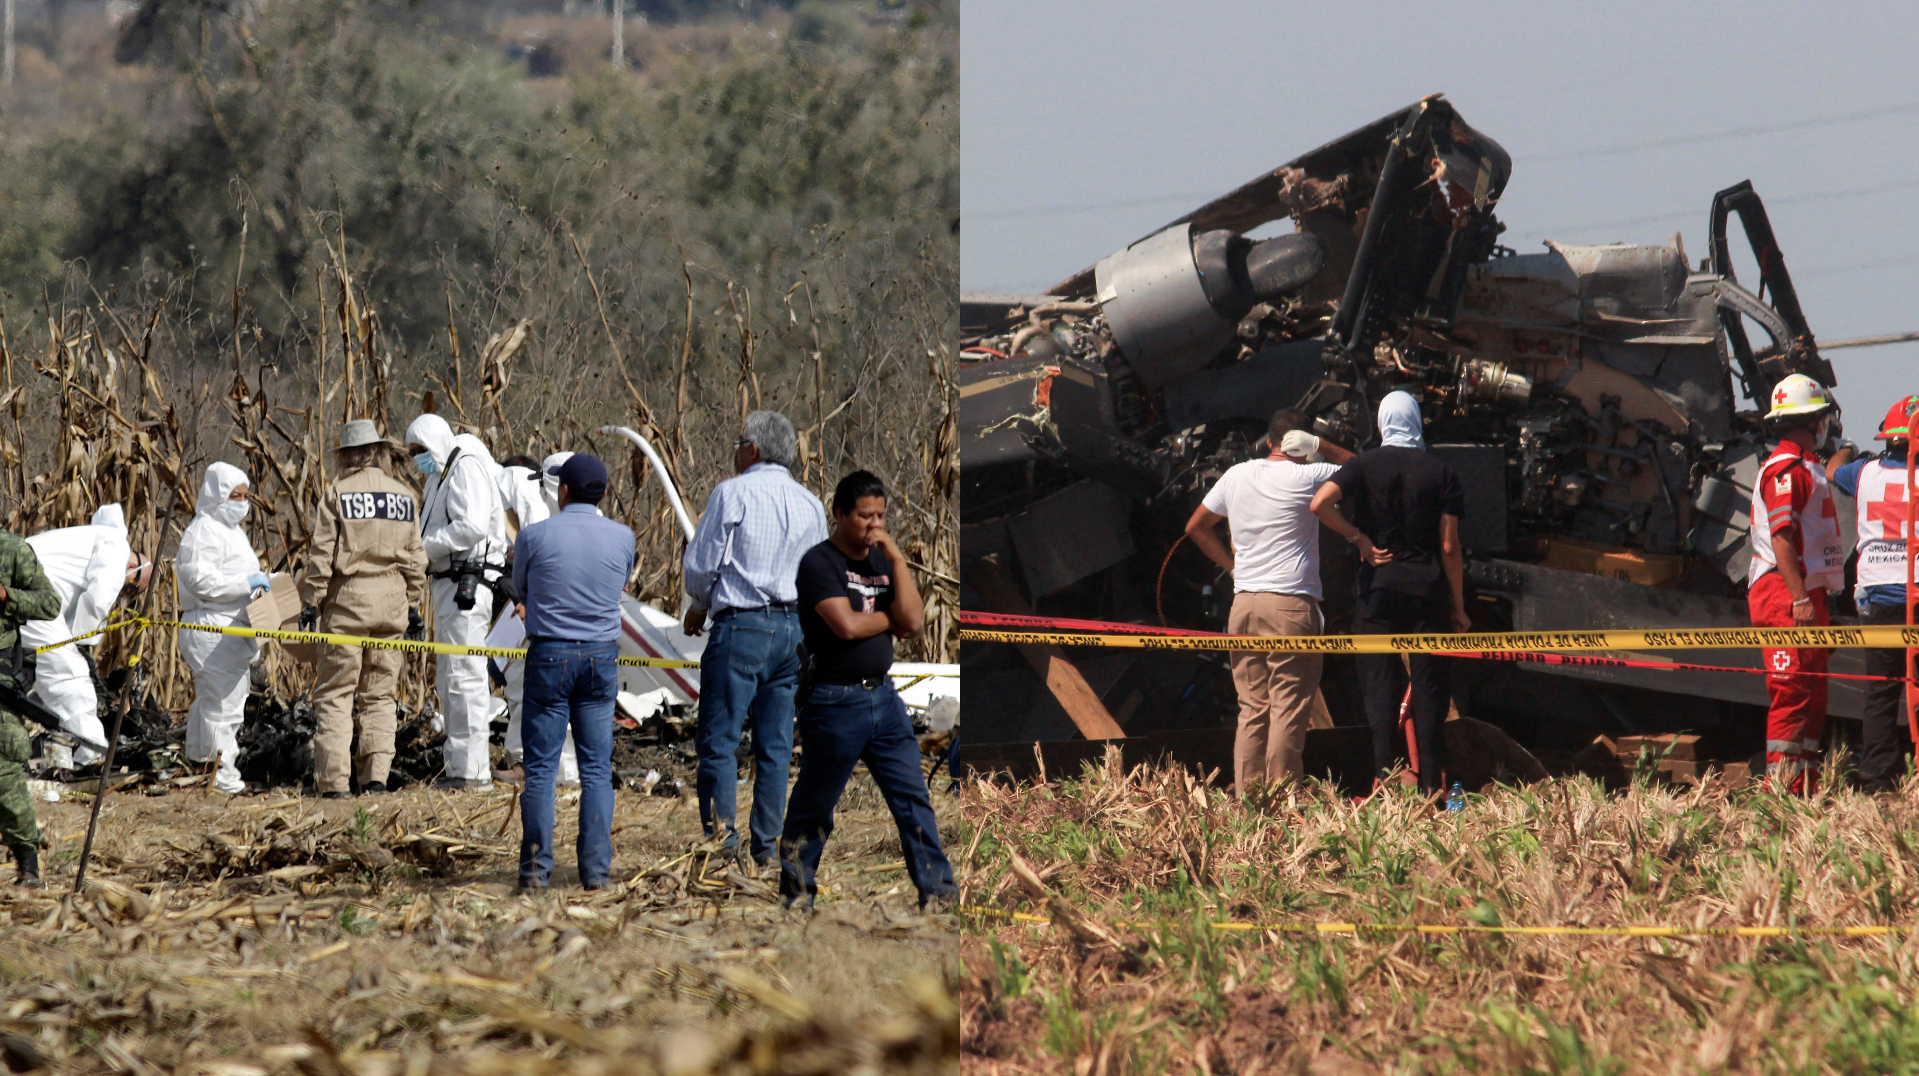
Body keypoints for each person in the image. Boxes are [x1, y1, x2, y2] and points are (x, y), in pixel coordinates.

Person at [780, 470, 954, 911]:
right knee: (814, 807)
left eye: (879, 515)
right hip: (835, 702)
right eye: (863, 516)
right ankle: (797, 895)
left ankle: (938, 893)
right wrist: (889, 619)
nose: (873, 525)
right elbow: (847, 625)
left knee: (912, 799)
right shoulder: (819, 564)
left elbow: (914, 622)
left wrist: (897, 562)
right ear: (839, 515)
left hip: (884, 700)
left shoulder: (881, 560)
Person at [683, 410, 827, 869]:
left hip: (742, 627)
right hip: (794, 632)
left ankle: (723, 847)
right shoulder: (810, 503)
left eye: (739, 445)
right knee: (776, 746)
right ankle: (767, 848)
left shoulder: (732, 493)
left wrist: (700, 603)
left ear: (753, 449)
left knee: (719, 743)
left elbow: (702, 566)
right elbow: (822, 573)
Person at [1310, 391, 1469, 796]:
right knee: (1431, 687)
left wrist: (1359, 538)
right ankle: (1431, 784)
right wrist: (1460, 607)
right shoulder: (1442, 471)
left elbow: (1320, 504)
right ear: (1416, 420)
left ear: (1383, 423)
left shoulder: (1362, 466)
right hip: (1427, 594)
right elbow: (1449, 546)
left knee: (1379, 686)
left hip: (1377, 591)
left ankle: (1389, 781)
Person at [1185, 417, 1353, 796]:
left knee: (1252, 708)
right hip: (1290, 605)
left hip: (1243, 604)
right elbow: (1362, 468)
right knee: (1288, 707)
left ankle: (1248, 802)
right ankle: (1279, 803)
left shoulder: (1236, 475)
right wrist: (1322, 445)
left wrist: (1234, 569)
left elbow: (1196, 527)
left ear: (1269, 442)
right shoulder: (1308, 477)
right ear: (1300, 443)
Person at [511, 454, 634, 891]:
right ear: (601, 492)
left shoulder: (534, 535)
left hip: (549, 654)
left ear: (562, 491)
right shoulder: (623, 537)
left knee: (541, 770)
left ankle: (534, 873)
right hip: (601, 658)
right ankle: (596, 874)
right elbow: (621, 584)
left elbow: (521, 587)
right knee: (596, 768)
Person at [299, 420, 429, 799]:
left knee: (337, 694)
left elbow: (322, 556)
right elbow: (416, 560)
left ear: (345, 456)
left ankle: (335, 785)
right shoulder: (404, 497)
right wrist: (414, 605)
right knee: (379, 695)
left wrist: (311, 602)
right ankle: (375, 780)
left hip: (347, 603)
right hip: (391, 604)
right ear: (376, 452)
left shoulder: (337, 493)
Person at [1742, 373, 1846, 794]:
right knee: (1793, 693)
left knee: (1813, 694)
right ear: (1809, 421)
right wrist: (1801, 599)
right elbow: (1783, 538)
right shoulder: (1786, 470)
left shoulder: (1806, 467)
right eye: (1821, 420)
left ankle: (1802, 783)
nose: (1825, 429)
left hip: (1805, 594)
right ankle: (1781, 792)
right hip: (1785, 594)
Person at [406, 413, 508, 792]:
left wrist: (422, 547)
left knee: (465, 675)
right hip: (446, 585)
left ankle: (472, 771)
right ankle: (458, 766)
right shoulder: (440, 475)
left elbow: (471, 526)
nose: (418, 458)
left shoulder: (465, 466)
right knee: (450, 676)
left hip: (467, 582)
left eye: (419, 450)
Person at [1830, 395, 1918, 793]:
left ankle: (1876, 781)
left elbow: (1832, 469)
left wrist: (1846, 446)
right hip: (1916, 592)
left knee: (1881, 690)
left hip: (1876, 596)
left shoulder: (1862, 473)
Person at [22, 504, 153, 771]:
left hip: (25, 588)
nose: (124, 595)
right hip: (30, 592)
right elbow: (97, 598)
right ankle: (93, 754)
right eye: (130, 588)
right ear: (131, 567)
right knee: (68, 675)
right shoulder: (115, 548)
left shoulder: (94, 539)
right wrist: (83, 639)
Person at [177, 462, 268, 795]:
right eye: (234, 495)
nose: (242, 502)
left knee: (214, 702)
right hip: (212, 628)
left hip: (231, 630)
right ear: (217, 495)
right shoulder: (204, 531)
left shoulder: (232, 531)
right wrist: (246, 583)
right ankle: (222, 775)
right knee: (223, 706)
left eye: (245, 495)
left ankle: (202, 765)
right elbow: (200, 580)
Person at [492, 450, 579, 786]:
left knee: (537, 692)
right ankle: (533, 764)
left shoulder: (529, 500)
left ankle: (547, 768)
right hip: (528, 614)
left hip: (544, 621)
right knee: (526, 690)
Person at [0, 529, 61, 885]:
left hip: (2, 675)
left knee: (5, 769)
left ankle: (28, 863)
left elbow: (50, 604)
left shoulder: (12, 551)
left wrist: (7, 596)